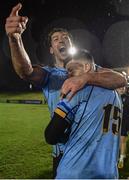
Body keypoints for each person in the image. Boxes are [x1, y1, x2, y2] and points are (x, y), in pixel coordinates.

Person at [5, 3, 127, 177]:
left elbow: (121, 78)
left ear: (71, 44)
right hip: (62, 153)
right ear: (51, 49)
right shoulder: (50, 74)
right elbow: (26, 72)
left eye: (65, 38)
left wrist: (84, 77)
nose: (61, 40)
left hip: (90, 152)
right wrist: (15, 39)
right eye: (56, 39)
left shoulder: (90, 69)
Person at [45, 49, 122, 179]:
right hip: (109, 173)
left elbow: (51, 136)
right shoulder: (116, 95)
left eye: (71, 70)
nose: (68, 75)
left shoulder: (77, 91)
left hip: (76, 172)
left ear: (86, 67)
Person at [117, 87, 129, 169]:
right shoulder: (113, 96)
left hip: (124, 121)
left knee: (122, 139)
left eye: (123, 87)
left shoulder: (127, 98)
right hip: (114, 122)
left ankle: (121, 159)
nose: (122, 89)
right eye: (120, 87)